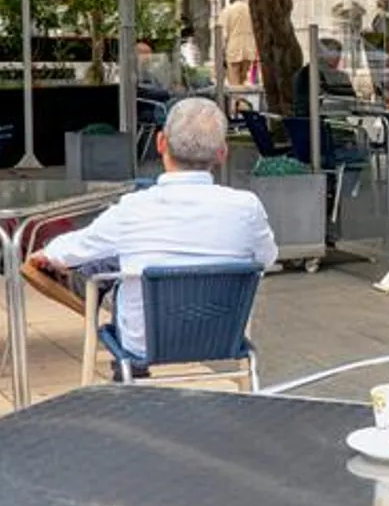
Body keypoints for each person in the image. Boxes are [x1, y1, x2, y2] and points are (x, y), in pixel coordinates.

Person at [22, 97, 278, 362]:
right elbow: (267, 258)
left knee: (121, 263)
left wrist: (48, 253)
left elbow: (78, 247)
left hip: (144, 343)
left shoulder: (133, 208)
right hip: (222, 337)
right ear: (222, 153)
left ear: (161, 142)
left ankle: (93, 291)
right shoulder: (247, 207)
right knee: (128, 256)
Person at [291, 37, 357, 117]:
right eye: (332, 51)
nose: (337, 56)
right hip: (317, 120)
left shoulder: (342, 76)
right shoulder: (306, 73)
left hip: (343, 118)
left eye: (339, 51)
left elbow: (352, 101)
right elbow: (303, 106)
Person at [217, 0, 257, 86]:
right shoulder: (251, 10)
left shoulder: (227, 11)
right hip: (249, 49)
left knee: (234, 82)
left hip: (233, 49)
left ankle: (237, 95)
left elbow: (222, 33)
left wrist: (221, 52)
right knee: (245, 80)